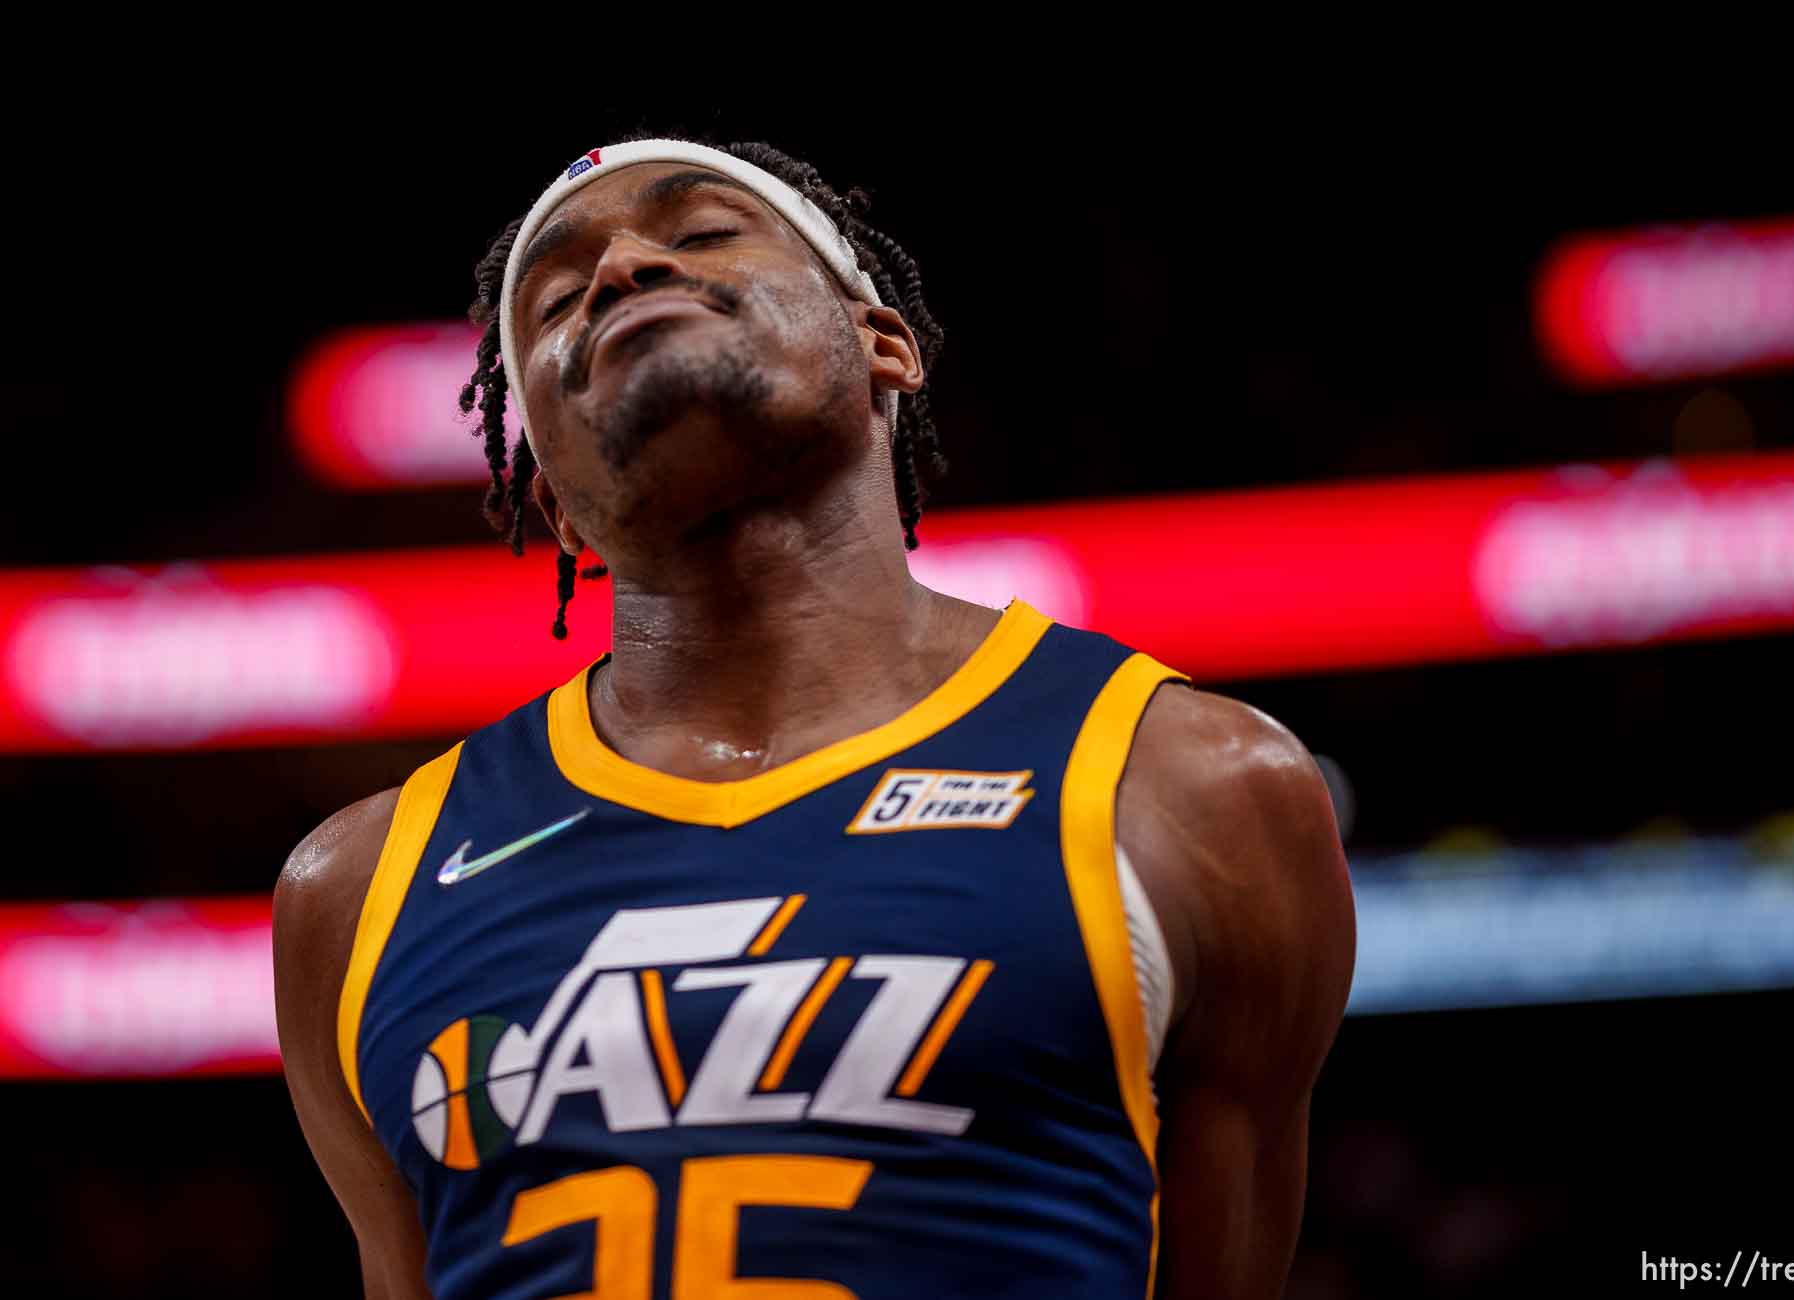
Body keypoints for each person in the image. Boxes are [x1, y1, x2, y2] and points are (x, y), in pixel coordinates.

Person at [274, 134, 1356, 1300]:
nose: (625, 268)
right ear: (556, 500)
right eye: (554, 303)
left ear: (882, 344)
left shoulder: (1198, 788)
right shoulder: (357, 889)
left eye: (699, 234)